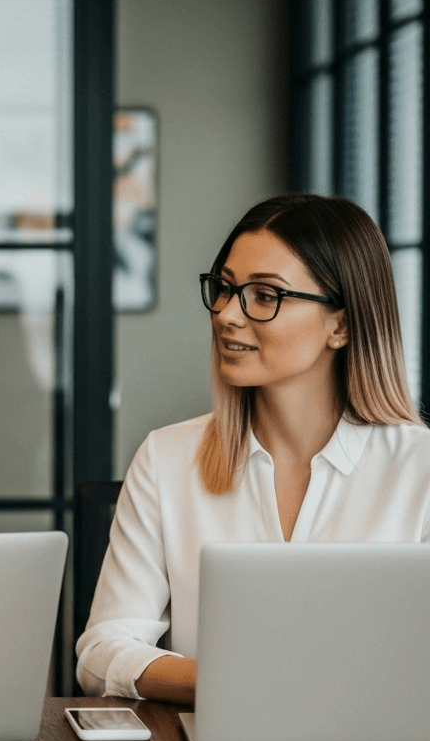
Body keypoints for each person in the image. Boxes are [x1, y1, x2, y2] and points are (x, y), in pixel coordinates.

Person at [76, 193, 430, 705]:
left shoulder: (419, 469)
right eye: (224, 289)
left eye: (265, 295)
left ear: (342, 325)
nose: (227, 315)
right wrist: (227, 682)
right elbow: (103, 650)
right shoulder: (166, 458)